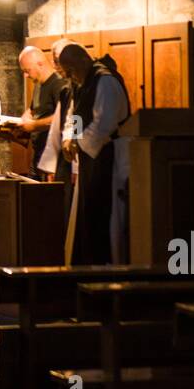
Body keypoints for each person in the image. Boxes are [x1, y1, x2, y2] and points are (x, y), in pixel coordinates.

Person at [60, 43, 132, 265]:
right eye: (67, 71)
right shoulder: (81, 84)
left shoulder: (105, 80)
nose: (70, 75)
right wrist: (69, 138)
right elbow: (76, 114)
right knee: (87, 210)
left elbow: (105, 122)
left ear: (83, 60)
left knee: (105, 212)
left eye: (71, 69)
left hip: (109, 155)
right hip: (90, 154)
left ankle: (106, 266)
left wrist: (78, 143)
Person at [16, 46, 69, 180]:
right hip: (39, 151)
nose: (25, 75)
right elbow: (35, 108)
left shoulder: (59, 84)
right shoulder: (39, 83)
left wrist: (34, 125)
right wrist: (24, 118)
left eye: (27, 71)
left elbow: (64, 118)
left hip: (55, 154)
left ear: (40, 64)